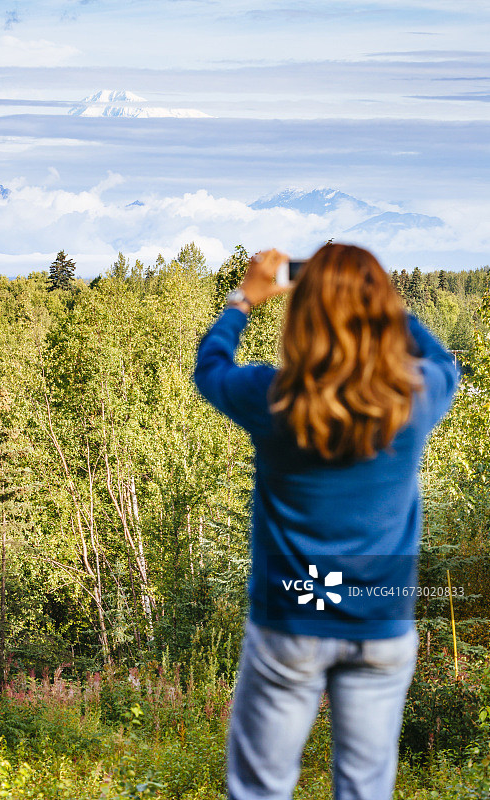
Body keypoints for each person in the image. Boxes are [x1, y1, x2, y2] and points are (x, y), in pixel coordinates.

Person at [193, 244, 460, 800]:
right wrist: (377, 299)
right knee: (365, 790)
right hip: (380, 623)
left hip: (291, 619)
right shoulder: (413, 397)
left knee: (259, 788)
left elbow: (211, 368)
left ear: (303, 315)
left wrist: (245, 298)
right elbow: (444, 361)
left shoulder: (273, 397)